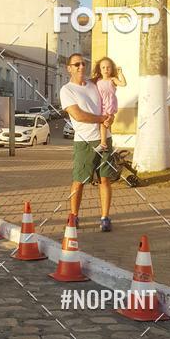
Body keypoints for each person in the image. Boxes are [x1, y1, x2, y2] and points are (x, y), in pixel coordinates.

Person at [60, 53, 115, 232]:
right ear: (69, 68)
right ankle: (74, 216)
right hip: (84, 142)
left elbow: (107, 104)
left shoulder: (94, 85)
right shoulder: (67, 90)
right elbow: (78, 115)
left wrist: (110, 117)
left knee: (105, 179)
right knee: (79, 181)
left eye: (83, 64)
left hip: (104, 138)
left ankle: (105, 217)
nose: (81, 67)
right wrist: (100, 118)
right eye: (76, 64)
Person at [91, 57, 126, 151]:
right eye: (103, 67)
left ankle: (103, 144)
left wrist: (120, 74)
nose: (106, 70)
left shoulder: (113, 80)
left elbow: (123, 84)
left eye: (108, 67)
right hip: (101, 106)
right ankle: (107, 144)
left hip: (109, 105)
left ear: (112, 69)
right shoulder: (97, 81)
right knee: (105, 125)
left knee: (104, 124)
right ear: (99, 69)